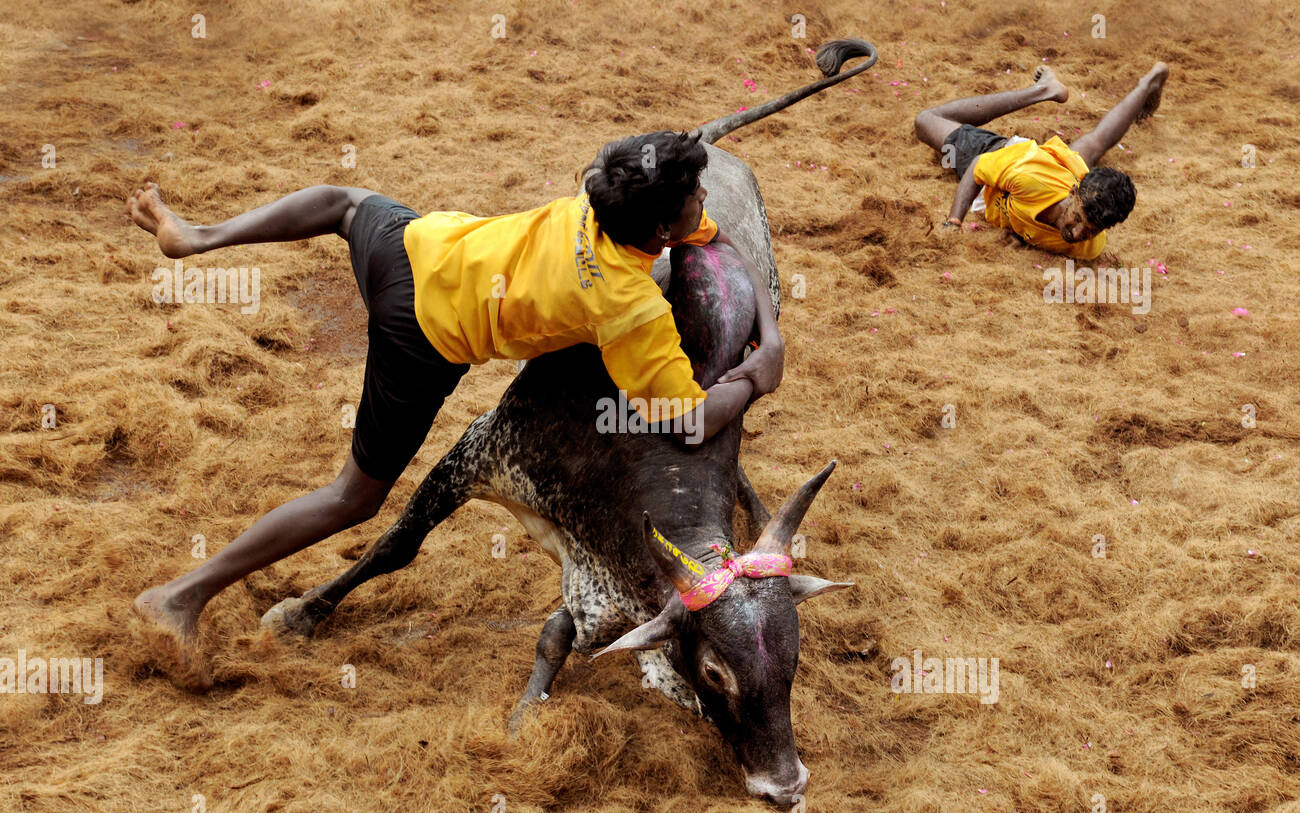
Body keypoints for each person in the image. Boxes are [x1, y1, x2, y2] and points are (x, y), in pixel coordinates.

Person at [125, 129, 784, 690]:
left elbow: (684, 217)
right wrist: (757, 373)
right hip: (421, 338)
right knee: (352, 496)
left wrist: (678, 170)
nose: (704, 201)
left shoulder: (602, 193)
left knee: (342, 202)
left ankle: (198, 237)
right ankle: (181, 595)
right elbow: (687, 417)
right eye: (695, 193)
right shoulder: (629, 309)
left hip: (415, 245)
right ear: (659, 228)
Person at [914, 62, 1169, 258]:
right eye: (1078, 219)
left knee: (1096, 143)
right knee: (925, 121)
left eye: (1091, 230)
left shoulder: (1089, 247)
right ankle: (1041, 91)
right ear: (1073, 190)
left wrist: (1022, 235)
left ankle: (1147, 84)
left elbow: (1067, 224)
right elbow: (976, 167)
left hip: (1053, 171)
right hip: (1005, 156)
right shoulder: (1028, 177)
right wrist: (954, 222)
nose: (1077, 234)